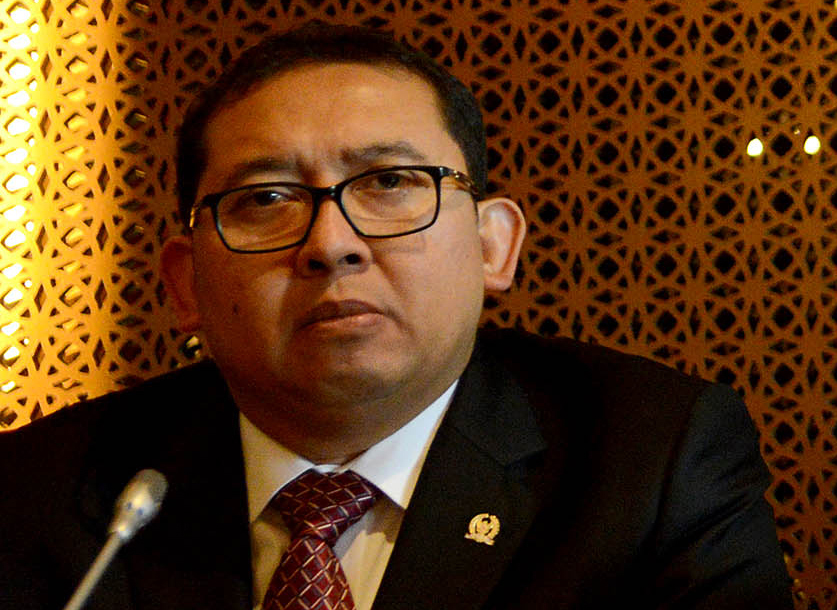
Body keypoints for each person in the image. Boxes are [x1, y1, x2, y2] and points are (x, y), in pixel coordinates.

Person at [0, 23, 793, 610]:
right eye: (266, 198)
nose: (330, 244)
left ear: (492, 246)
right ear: (185, 284)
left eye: (388, 184)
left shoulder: (651, 463)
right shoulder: (39, 494)